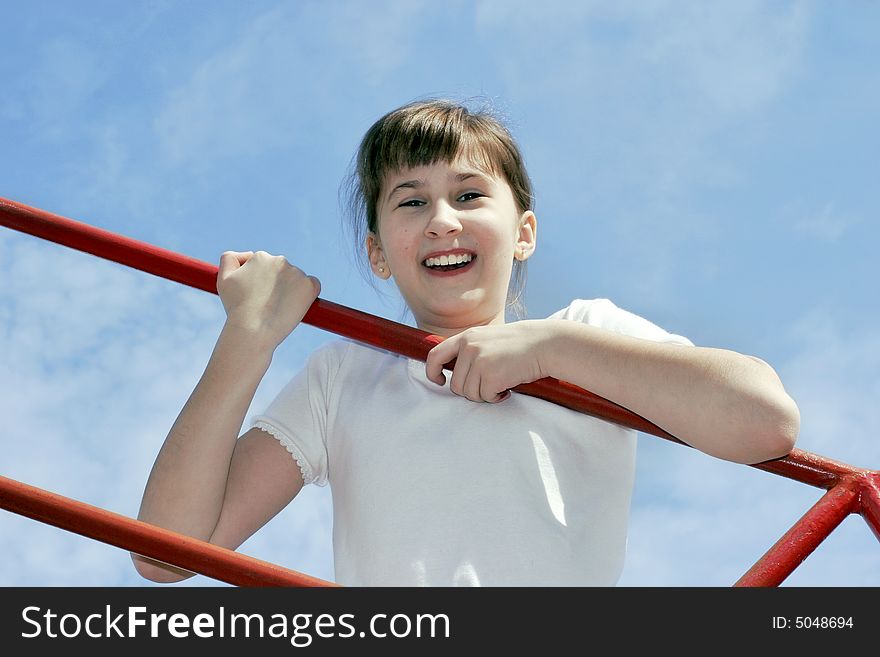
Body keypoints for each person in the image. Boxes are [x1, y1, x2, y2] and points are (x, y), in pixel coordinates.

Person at [132, 99, 800, 586]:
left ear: (525, 232)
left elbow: (765, 421)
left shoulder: (588, 334)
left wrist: (548, 350)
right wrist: (247, 338)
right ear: (378, 253)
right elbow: (165, 552)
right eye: (410, 201)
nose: (442, 220)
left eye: (470, 194)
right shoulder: (344, 374)